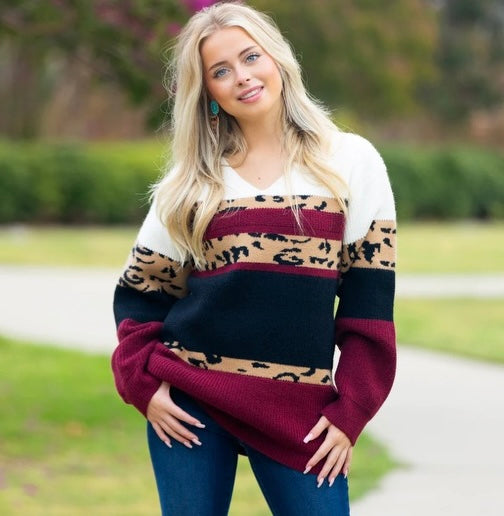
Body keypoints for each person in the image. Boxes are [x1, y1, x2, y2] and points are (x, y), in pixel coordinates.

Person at [111, 1, 397, 514]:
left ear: (278, 59)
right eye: (221, 71)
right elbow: (141, 292)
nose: (241, 76)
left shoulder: (350, 161)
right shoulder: (192, 184)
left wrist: (351, 408)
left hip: (300, 414)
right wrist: (143, 383)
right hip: (191, 399)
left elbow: (368, 306)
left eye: (250, 57)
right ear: (210, 94)